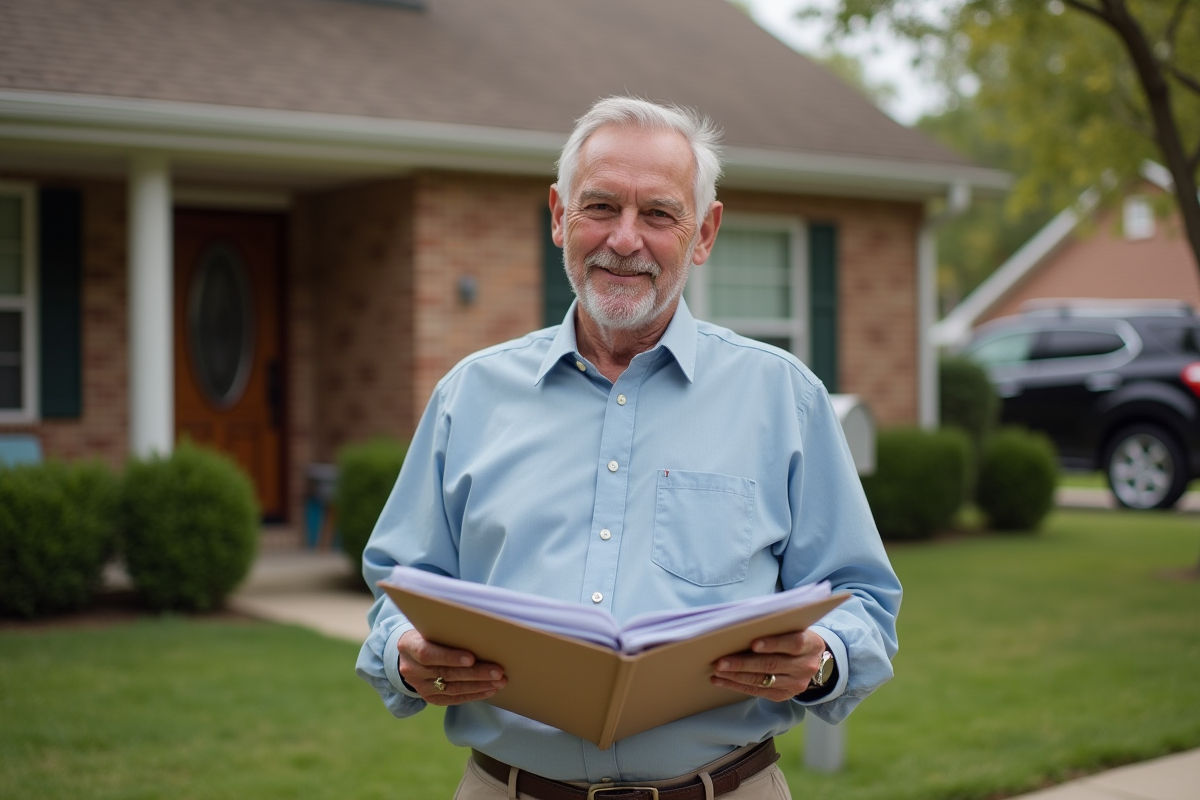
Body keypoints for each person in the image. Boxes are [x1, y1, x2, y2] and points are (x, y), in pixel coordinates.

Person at [356, 96, 901, 800]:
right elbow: (400, 586)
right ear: (558, 217)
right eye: (601, 207)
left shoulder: (784, 399)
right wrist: (406, 657)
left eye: (658, 215)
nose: (624, 239)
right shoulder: (470, 397)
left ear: (704, 234)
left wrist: (822, 659)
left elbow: (864, 597)